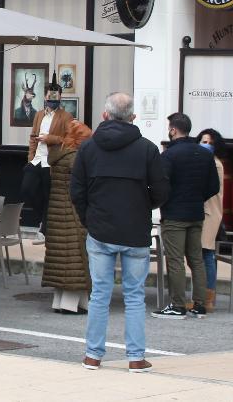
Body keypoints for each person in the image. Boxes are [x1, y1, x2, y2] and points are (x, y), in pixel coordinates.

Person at [71, 92, 169, 373]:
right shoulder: (148, 149)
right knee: (135, 295)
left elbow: (77, 191)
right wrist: (143, 207)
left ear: (105, 115)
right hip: (135, 230)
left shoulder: (88, 149)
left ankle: (93, 355)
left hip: (100, 229)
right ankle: (136, 357)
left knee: (100, 294)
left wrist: (88, 218)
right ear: (133, 118)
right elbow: (161, 191)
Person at [154, 113, 220, 319]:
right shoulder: (205, 154)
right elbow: (213, 187)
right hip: (196, 213)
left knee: (175, 260)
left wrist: (161, 203)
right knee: (196, 259)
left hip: (174, 214)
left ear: (173, 130)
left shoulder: (169, 156)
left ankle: (177, 305)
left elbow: (161, 186)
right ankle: (200, 305)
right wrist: (197, 198)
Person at [42, 119, 93, 314]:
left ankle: (62, 302)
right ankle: (71, 305)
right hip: (73, 214)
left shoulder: (58, 156)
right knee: (76, 260)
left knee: (61, 260)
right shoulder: (76, 159)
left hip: (57, 216)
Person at [23, 78, 74, 235]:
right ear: (45, 97)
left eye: (56, 96)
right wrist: (31, 158)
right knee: (27, 189)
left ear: (59, 97)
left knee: (49, 196)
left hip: (52, 163)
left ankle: (45, 228)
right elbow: (33, 137)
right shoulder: (38, 115)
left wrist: (50, 139)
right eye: (50, 96)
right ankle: (43, 219)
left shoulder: (66, 117)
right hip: (37, 160)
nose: (53, 99)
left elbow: (70, 141)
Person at [197, 128, 227, 314]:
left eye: (209, 143)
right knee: (202, 254)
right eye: (203, 141)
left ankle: (207, 298)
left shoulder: (214, 164)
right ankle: (204, 296)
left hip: (210, 213)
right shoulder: (207, 162)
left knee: (206, 254)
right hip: (206, 212)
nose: (206, 145)